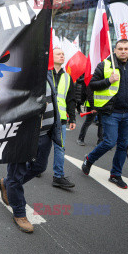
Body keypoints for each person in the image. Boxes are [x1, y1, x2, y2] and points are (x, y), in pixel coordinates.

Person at [0, 70, 63, 233]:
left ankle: (7, 183)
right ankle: (19, 213)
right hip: (22, 135)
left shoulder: (46, 73)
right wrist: (33, 104)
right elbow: (5, 102)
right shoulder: (18, 73)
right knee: (16, 175)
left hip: (45, 133)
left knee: (39, 167)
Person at [82, 39, 128, 189]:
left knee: (123, 146)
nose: (123, 51)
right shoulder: (105, 65)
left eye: (126, 48)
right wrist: (108, 80)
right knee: (110, 142)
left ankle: (115, 175)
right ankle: (89, 159)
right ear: (115, 50)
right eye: (120, 48)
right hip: (111, 112)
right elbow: (92, 85)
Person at [50, 48, 76, 188]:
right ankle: (34, 167)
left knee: (60, 147)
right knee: (41, 147)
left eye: (63, 54)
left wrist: (72, 118)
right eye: (58, 54)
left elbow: (71, 99)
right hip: (45, 118)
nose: (62, 55)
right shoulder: (45, 74)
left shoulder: (67, 77)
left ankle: (58, 176)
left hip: (60, 119)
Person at [77, 75, 103, 146]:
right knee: (88, 122)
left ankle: (100, 141)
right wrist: (93, 106)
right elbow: (89, 93)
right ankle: (80, 138)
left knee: (101, 123)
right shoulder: (91, 78)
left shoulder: (96, 77)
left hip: (101, 104)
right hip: (92, 105)